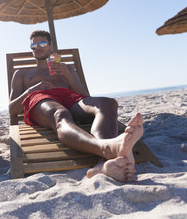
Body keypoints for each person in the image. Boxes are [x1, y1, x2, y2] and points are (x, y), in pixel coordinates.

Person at [9, 30, 144, 182]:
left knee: (108, 103)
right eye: (34, 44)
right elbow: (12, 109)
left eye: (42, 43)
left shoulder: (67, 69)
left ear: (50, 47)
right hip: (41, 99)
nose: (37, 47)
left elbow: (86, 97)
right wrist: (32, 89)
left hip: (69, 97)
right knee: (60, 114)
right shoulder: (21, 74)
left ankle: (102, 165)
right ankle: (107, 148)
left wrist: (68, 76)